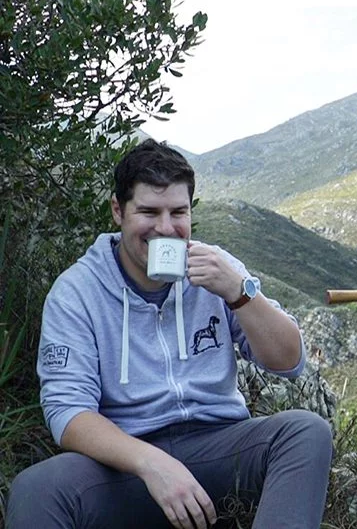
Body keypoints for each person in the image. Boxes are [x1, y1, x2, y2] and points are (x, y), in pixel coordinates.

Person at [6, 139, 333, 529]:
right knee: (38, 488)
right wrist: (152, 463)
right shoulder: (77, 291)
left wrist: (239, 293)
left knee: (306, 432)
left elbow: (289, 361)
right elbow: (67, 413)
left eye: (178, 212)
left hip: (220, 450)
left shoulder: (217, 269)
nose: (165, 228)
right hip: (124, 468)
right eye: (148, 211)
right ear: (118, 211)